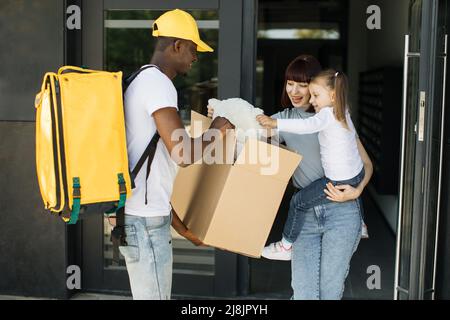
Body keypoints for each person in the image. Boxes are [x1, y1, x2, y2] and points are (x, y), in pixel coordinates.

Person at [209, 55, 372, 299]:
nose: (294, 91)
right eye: (289, 83)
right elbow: (247, 137)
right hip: (305, 213)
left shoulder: (335, 117)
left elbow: (366, 163)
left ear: (320, 87)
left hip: (342, 211)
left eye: (303, 85)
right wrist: (220, 114)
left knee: (330, 291)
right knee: (304, 293)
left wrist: (358, 191)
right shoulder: (282, 120)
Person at [119, 9, 234, 300]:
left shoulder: (138, 81)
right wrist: (217, 130)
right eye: (193, 49)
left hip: (140, 218)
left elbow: (153, 173)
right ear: (177, 45)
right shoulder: (158, 84)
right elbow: (182, 153)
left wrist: (183, 229)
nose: (195, 57)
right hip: (145, 225)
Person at [257, 69, 367, 260]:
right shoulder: (344, 112)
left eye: (316, 95)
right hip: (355, 174)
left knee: (297, 202)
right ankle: (361, 223)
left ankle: (285, 247)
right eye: (290, 84)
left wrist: (276, 123)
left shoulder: (326, 115)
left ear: (332, 95)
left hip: (337, 180)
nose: (313, 99)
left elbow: (307, 126)